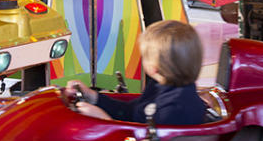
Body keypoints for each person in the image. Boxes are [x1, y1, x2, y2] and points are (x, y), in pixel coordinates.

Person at [66, 20, 207, 126]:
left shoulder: (175, 109)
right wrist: (95, 98)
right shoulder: (161, 86)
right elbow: (131, 112)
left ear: (154, 68)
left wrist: (105, 121)